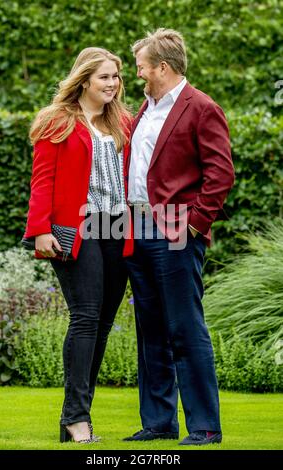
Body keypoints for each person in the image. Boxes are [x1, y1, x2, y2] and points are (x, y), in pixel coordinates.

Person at [124, 29, 235, 446]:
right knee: (150, 329)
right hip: (135, 231)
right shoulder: (145, 109)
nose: (138, 75)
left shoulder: (202, 107)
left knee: (186, 330)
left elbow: (220, 174)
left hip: (175, 231)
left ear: (162, 67)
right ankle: (158, 423)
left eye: (141, 67)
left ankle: (204, 426)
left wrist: (192, 224)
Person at [23, 47, 133, 444]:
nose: (113, 83)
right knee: (85, 317)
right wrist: (40, 229)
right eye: (105, 76)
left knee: (103, 324)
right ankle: (76, 419)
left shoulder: (123, 121)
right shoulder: (57, 121)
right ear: (85, 79)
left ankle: (77, 416)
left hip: (118, 226)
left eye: (117, 77)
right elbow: (42, 180)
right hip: (77, 227)